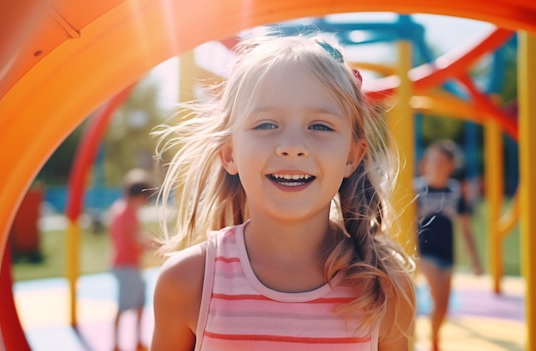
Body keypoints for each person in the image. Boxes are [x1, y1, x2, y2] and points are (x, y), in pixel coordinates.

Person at [150, 30, 416, 351]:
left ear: (352, 156)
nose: (292, 147)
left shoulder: (384, 290)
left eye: (320, 126)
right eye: (266, 124)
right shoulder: (188, 282)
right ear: (230, 152)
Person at [415, 140, 483, 351]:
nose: (436, 165)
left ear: (451, 166)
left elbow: (465, 228)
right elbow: (406, 223)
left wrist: (475, 260)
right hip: (425, 253)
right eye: (433, 160)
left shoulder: (453, 190)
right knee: (437, 294)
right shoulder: (417, 188)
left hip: (447, 253)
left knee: (443, 303)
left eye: (442, 162)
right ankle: (429, 342)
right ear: (426, 163)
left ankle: (434, 337)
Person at [108, 168, 154, 351]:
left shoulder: (121, 209)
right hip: (126, 266)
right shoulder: (126, 213)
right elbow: (136, 239)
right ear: (137, 196)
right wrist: (155, 245)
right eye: (144, 199)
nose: (144, 203)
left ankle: (137, 339)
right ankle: (117, 343)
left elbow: (135, 236)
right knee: (124, 305)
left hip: (129, 265)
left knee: (139, 302)